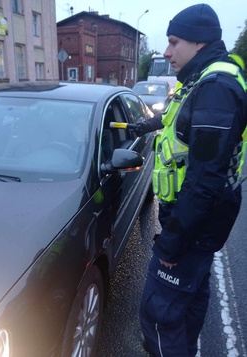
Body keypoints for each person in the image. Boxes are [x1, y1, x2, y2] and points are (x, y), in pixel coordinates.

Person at [137, 3, 247, 357]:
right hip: (201, 226)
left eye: (173, 42)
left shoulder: (217, 88)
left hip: (192, 228)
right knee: (190, 302)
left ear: (199, 42)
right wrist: (143, 127)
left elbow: (204, 180)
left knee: (158, 317)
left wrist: (171, 243)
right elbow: (178, 121)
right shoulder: (205, 79)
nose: (167, 52)